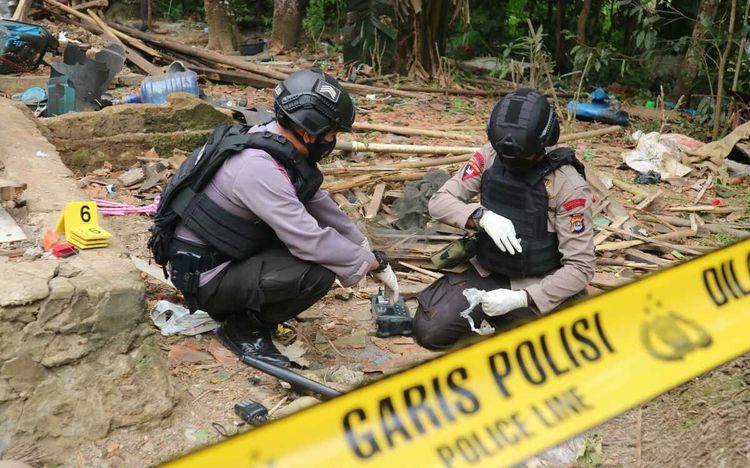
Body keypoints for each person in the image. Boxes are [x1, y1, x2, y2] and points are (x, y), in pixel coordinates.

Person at [165, 69, 399, 367]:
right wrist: (369, 263)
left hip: (221, 256)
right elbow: (309, 240)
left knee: (326, 253)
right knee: (318, 272)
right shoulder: (258, 167)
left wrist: (365, 249)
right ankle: (243, 329)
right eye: (331, 133)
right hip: (206, 276)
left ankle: (244, 306)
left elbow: (319, 204)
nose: (332, 141)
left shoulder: (272, 143)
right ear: (308, 132)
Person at [413, 88, 595, 350]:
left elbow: (581, 267)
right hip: (491, 270)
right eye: (506, 155)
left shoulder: (567, 185)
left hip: (540, 280)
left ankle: (519, 315)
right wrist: (481, 217)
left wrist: (522, 298)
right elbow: (440, 202)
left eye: (522, 157)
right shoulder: (491, 155)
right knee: (429, 330)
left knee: (554, 353)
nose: (512, 162)